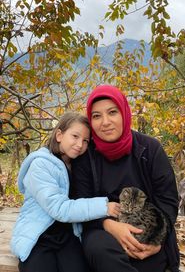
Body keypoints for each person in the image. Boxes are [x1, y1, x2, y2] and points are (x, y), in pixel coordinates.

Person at [71, 85, 180, 272]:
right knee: (99, 250)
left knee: (149, 261)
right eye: (96, 116)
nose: (105, 122)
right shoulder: (85, 157)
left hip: (147, 233)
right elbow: (80, 203)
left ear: (124, 112)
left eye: (112, 112)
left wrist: (157, 240)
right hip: (103, 233)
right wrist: (110, 225)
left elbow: (168, 201)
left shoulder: (150, 149)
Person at [10, 111, 120, 272]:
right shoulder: (40, 165)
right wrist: (104, 206)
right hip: (39, 235)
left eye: (85, 141)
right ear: (59, 135)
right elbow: (58, 208)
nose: (79, 145)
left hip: (68, 234)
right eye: (75, 136)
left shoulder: (76, 165)